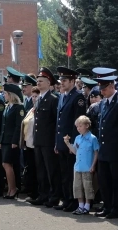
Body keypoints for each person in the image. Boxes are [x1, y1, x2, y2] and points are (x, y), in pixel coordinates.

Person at [93, 70, 118, 219]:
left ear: (111, 86)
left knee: (117, 181)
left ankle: (117, 209)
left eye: (104, 88)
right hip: (103, 149)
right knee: (104, 180)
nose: (101, 91)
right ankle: (107, 206)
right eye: (100, 89)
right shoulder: (103, 103)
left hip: (116, 149)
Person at [52, 67, 86, 211]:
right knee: (64, 174)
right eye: (61, 80)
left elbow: (77, 123)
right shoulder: (62, 96)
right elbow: (59, 122)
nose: (62, 83)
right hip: (62, 142)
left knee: (72, 175)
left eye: (65, 80)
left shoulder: (78, 97)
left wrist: (74, 143)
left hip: (71, 143)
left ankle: (74, 201)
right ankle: (66, 200)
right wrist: (57, 142)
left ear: (73, 81)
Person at [27, 67, 61, 206]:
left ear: (48, 83)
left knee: (51, 170)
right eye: (37, 81)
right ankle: (43, 195)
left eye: (41, 81)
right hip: (39, 140)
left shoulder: (53, 99)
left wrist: (55, 142)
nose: (38, 83)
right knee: (40, 169)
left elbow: (55, 122)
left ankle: (53, 197)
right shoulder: (39, 99)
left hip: (48, 141)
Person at [64, 115, 99, 215]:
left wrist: (93, 165)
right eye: (77, 126)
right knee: (77, 186)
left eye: (80, 126)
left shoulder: (92, 138)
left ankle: (87, 206)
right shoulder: (77, 138)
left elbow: (96, 152)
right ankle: (80, 205)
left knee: (88, 186)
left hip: (87, 166)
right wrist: (67, 143)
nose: (78, 128)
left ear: (87, 125)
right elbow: (75, 151)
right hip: (78, 166)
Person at [0, 84, 25, 199]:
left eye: (5, 93)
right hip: (5, 139)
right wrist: (0, 140)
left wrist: (15, 141)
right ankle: (10, 189)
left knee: (7, 164)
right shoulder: (7, 106)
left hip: (11, 141)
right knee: (5, 164)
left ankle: (13, 189)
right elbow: (3, 125)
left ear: (11, 95)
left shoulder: (18, 107)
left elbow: (18, 126)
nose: (4, 95)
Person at [20, 87, 40, 200]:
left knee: (36, 170)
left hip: (35, 144)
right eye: (32, 96)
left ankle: (37, 193)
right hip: (28, 144)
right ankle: (32, 192)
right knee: (30, 169)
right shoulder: (31, 109)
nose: (34, 98)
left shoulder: (39, 110)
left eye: (36, 96)